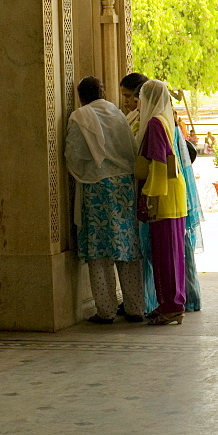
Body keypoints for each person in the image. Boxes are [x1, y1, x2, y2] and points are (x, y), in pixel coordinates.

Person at [64, 76, 144, 324]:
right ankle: (135, 307)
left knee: (100, 251)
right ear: (103, 92)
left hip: (97, 188)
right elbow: (129, 148)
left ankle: (106, 310)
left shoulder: (80, 116)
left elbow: (74, 154)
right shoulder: (117, 113)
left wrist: (86, 173)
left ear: (80, 96)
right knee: (127, 247)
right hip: (124, 187)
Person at [136, 80, 188, 325]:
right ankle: (172, 303)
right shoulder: (167, 119)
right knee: (173, 251)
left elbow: (157, 163)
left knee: (166, 252)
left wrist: (149, 195)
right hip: (174, 191)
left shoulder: (156, 123)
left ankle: (171, 306)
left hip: (163, 193)